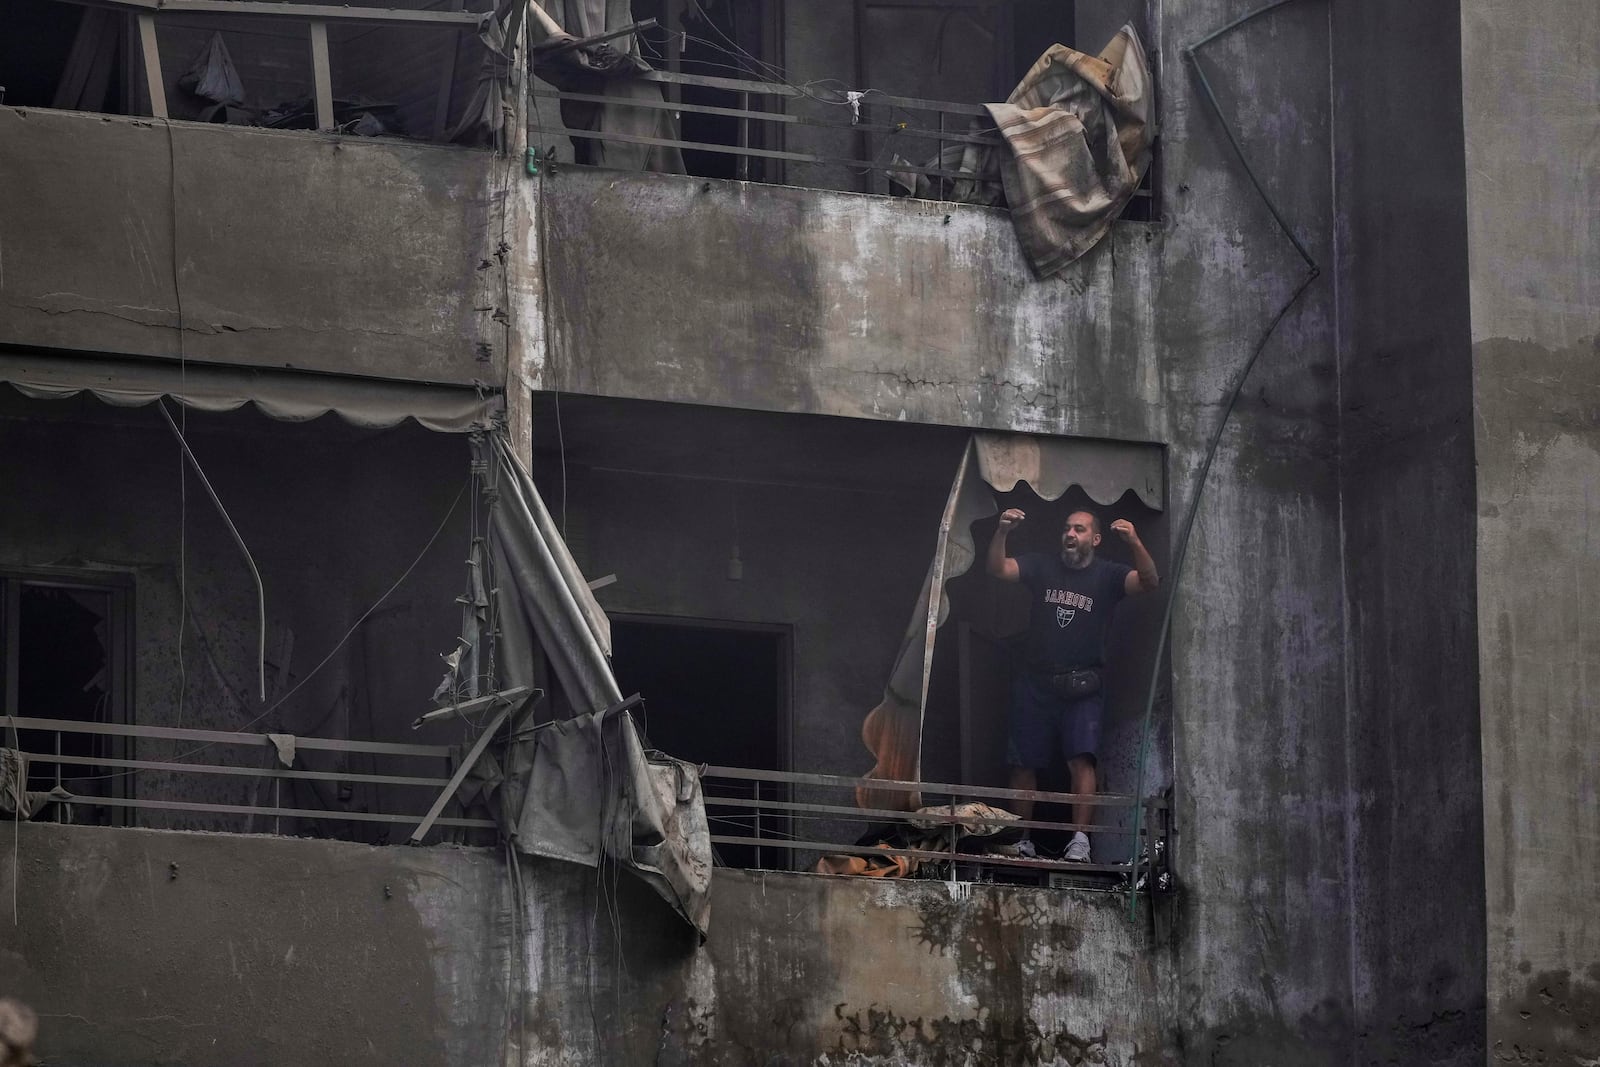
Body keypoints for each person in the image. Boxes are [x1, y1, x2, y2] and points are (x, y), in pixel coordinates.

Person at [986, 508, 1158, 862]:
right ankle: (1021, 839)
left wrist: (1135, 541)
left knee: (1081, 761)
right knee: (1023, 764)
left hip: (1084, 685)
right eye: (1066, 528)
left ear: (1094, 539)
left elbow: (1149, 581)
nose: (1070, 534)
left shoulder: (1108, 575)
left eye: (1079, 529)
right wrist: (1002, 531)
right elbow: (998, 569)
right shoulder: (1042, 566)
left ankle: (1080, 841)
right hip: (1036, 682)